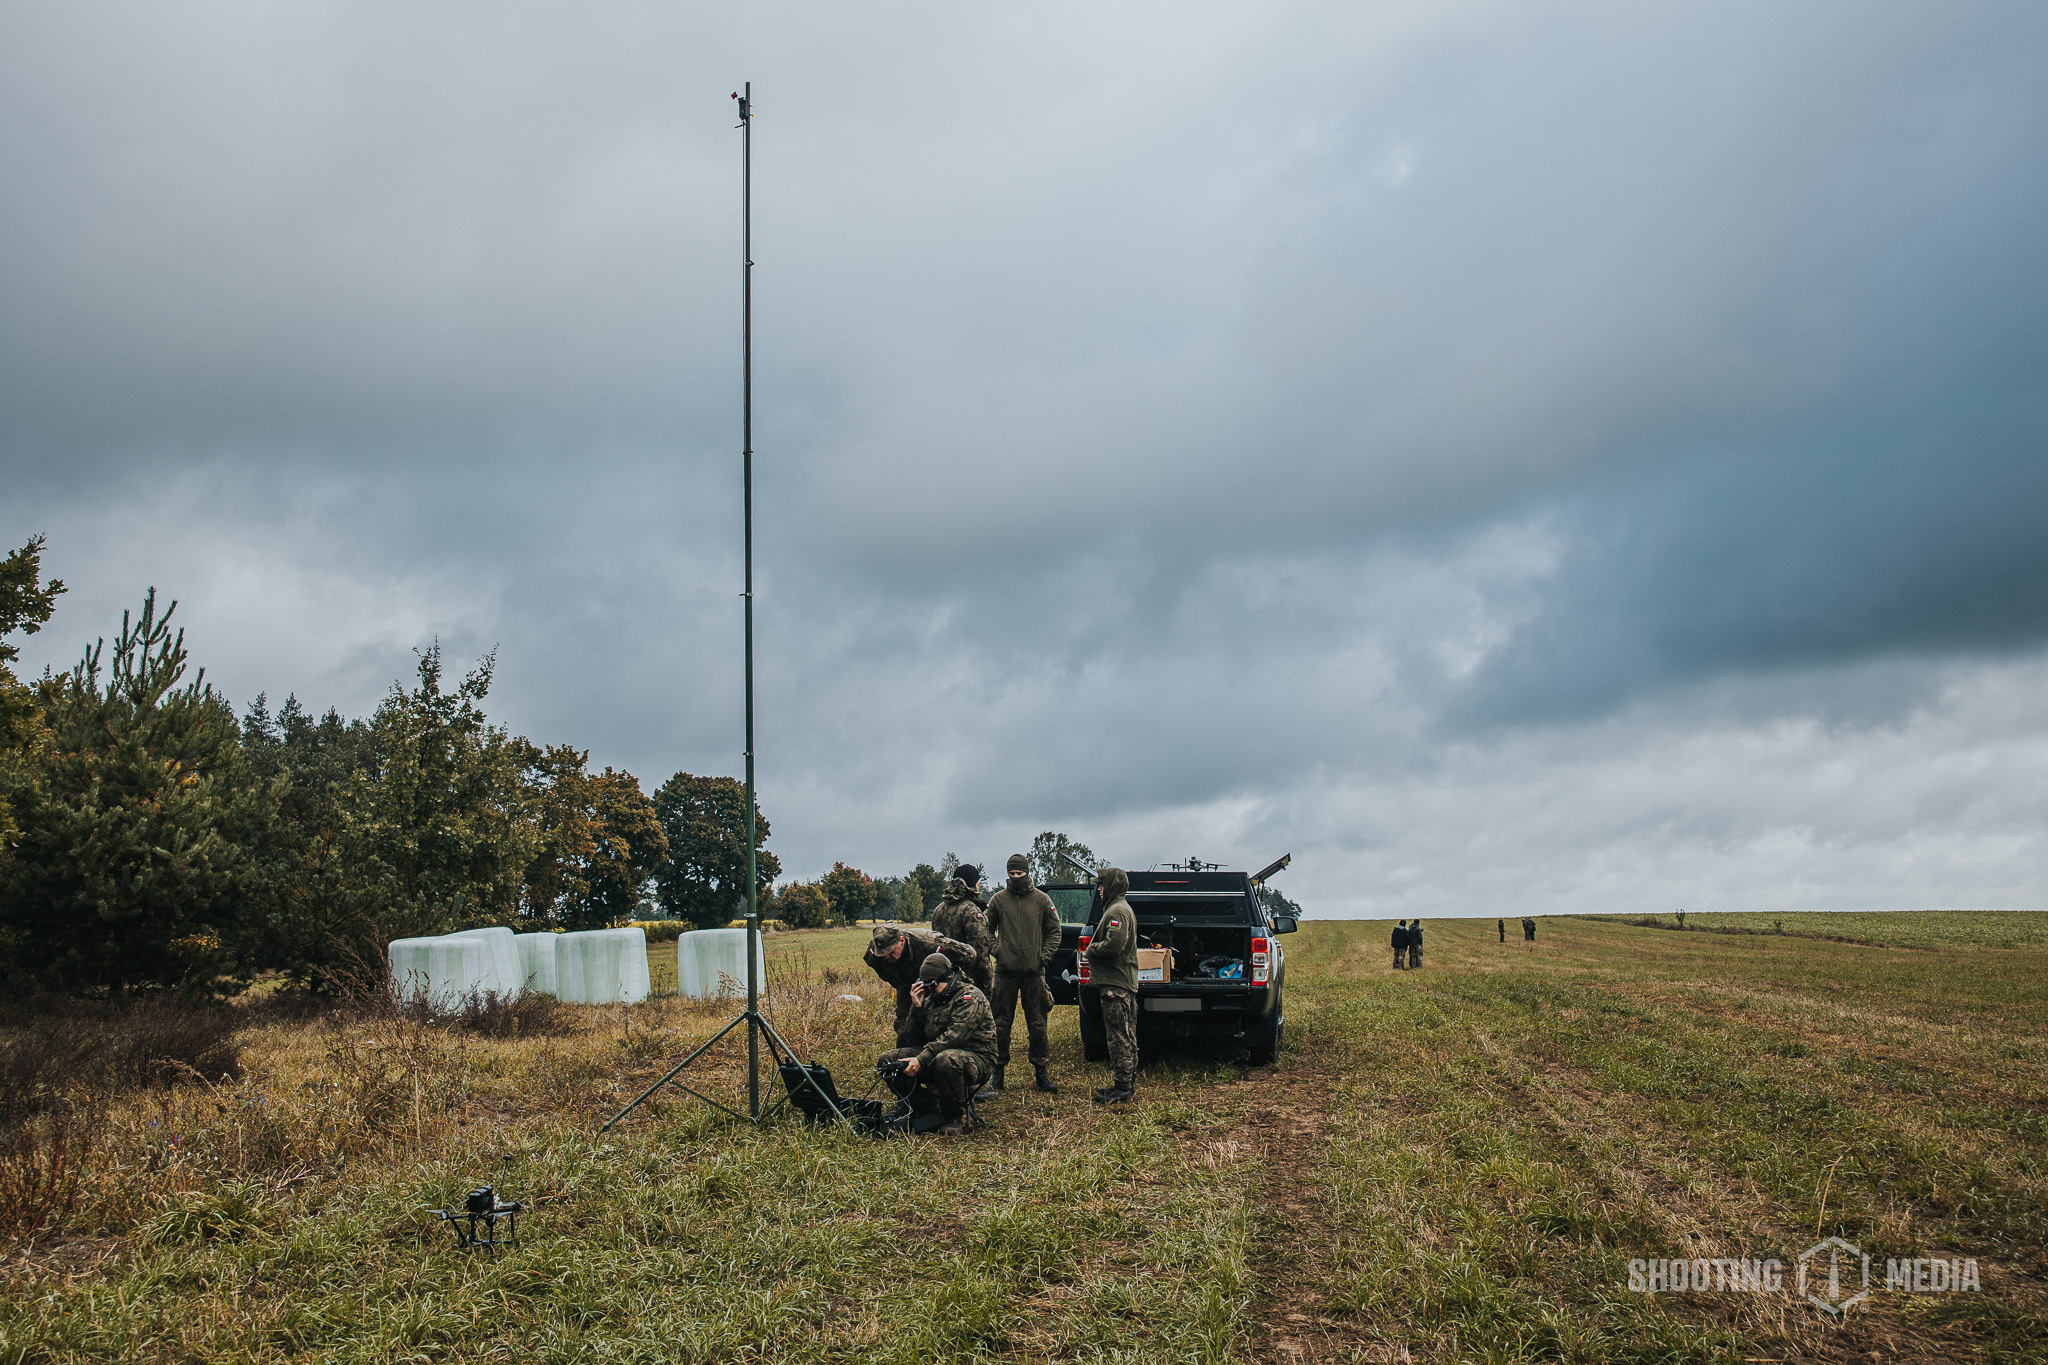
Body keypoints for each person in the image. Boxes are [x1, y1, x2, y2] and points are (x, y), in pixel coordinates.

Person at [878, 953, 997, 1136]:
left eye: (933, 986)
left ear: (948, 978)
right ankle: (928, 1107)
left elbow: (955, 1037)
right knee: (888, 1061)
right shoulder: (930, 999)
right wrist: (916, 1008)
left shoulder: (970, 997)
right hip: (936, 1055)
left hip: (977, 1057)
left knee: (946, 1059)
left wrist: (921, 1059)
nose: (930, 991)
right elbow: (910, 1039)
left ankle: (952, 1117)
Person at [985, 853, 1062, 1093]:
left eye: (1020, 873)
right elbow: (984, 930)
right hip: (1005, 973)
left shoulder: (1041, 900)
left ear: (1027, 872)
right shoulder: (998, 900)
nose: (1016, 877)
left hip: (1034, 973)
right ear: (1007, 873)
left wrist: (1043, 957)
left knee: (1038, 1023)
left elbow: (1055, 931)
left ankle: (1041, 1072)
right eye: (1012, 873)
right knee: (1000, 1024)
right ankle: (998, 1073)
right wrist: (998, 950)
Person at [1084, 866, 1139, 1104]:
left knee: (1118, 1037)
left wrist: (1090, 949)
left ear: (1113, 886)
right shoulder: (1119, 908)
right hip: (1119, 983)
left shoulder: (1117, 911)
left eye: (1103, 885)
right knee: (1125, 1035)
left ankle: (1123, 1088)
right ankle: (1124, 1083)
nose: (1099, 890)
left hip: (1116, 985)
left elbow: (1113, 945)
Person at [863, 924, 984, 1027]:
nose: (886, 956)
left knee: (942, 1021)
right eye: (882, 953)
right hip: (907, 984)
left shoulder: (928, 942)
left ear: (901, 941)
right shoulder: (874, 954)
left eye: (890, 951)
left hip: (938, 983)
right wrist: (901, 985)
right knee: (904, 1023)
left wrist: (949, 982)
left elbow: (970, 955)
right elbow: (885, 973)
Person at [929, 865, 994, 995]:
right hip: (969, 981)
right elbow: (980, 953)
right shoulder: (971, 911)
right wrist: (987, 982)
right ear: (973, 884)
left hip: (943, 978)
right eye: (977, 882)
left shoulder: (939, 909)